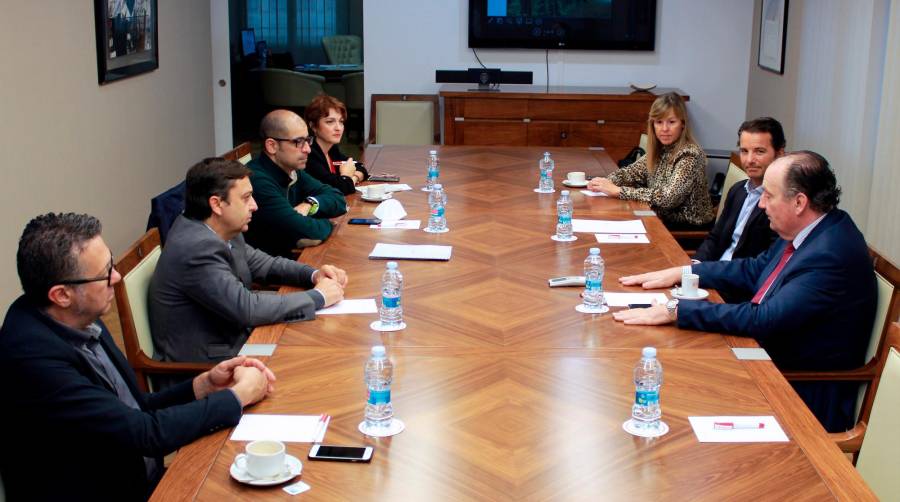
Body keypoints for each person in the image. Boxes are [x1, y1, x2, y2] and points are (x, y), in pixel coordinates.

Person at [0, 212, 276, 501]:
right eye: (105, 272)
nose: (117, 278)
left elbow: (133, 406)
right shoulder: (33, 359)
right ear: (62, 295)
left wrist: (203, 385)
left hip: (143, 479)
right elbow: (144, 435)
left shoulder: (79, 314)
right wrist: (238, 396)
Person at [612, 151, 877, 432]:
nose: (761, 204)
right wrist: (686, 272)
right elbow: (754, 270)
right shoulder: (814, 228)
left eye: (769, 196)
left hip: (798, 389)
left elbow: (764, 318)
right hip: (762, 357)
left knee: (677, 385)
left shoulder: (830, 253)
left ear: (799, 202)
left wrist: (676, 308)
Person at [149, 158, 347, 365]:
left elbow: (265, 264)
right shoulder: (196, 248)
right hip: (210, 365)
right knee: (317, 358)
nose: (255, 206)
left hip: (238, 340)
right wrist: (318, 297)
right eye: (246, 198)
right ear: (216, 204)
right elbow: (246, 309)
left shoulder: (221, 226)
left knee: (319, 347)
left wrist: (313, 274)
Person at [587, 92, 715, 229]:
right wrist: (604, 183)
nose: (664, 129)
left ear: (682, 124)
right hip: (660, 219)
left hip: (687, 230)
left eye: (671, 122)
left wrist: (618, 191)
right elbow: (630, 173)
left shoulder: (690, 155)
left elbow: (668, 198)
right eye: (659, 122)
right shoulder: (661, 148)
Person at [244, 109, 348, 258]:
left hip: (290, 259)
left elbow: (338, 198)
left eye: (307, 140)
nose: (307, 149)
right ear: (272, 146)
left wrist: (310, 204)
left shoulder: (291, 169)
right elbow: (311, 231)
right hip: (270, 270)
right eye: (298, 142)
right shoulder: (258, 182)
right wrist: (328, 224)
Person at [693, 117, 783, 266]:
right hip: (714, 272)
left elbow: (765, 263)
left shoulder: (781, 202)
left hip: (738, 280)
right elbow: (715, 238)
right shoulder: (738, 190)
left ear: (779, 154)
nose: (749, 160)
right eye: (744, 151)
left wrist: (709, 273)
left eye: (759, 151)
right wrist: (695, 264)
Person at [305, 94, 369, 195]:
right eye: (330, 122)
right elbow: (340, 188)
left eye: (341, 121)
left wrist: (353, 177)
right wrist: (346, 176)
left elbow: (360, 166)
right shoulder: (309, 154)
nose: (338, 128)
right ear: (313, 126)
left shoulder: (331, 149)